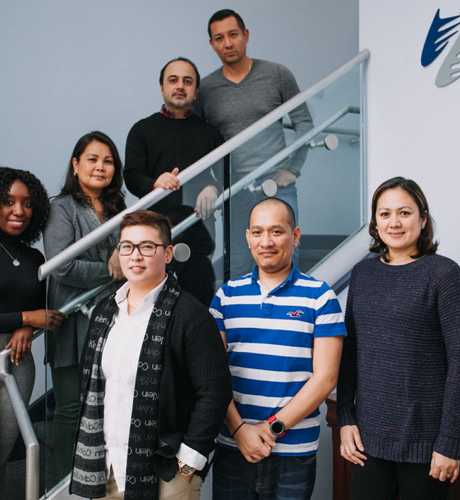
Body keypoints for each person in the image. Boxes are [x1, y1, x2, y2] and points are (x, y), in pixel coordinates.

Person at [70, 210, 232, 500]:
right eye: (127, 247)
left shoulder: (191, 315)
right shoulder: (105, 312)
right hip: (107, 468)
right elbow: (92, 386)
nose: (135, 256)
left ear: (168, 254)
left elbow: (215, 391)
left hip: (167, 471)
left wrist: (189, 462)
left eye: (147, 247)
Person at [336, 177, 460, 500]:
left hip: (427, 449)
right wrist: (345, 418)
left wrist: (449, 441)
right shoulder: (363, 274)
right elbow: (351, 353)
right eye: (384, 214)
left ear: (423, 219)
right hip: (366, 443)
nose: (394, 223)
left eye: (404, 213)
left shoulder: (444, 275)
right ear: (375, 223)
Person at [209, 197, 345, 500]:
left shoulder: (321, 297)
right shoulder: (226, 297)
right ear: (247, 238)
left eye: (276, 231)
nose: (266, 241)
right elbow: (213, 375)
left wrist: (269, 430)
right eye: (257, 232)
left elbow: (325, 378)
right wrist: (240, 430)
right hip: (234, 447)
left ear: (295, 236)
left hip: (293, 453)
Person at [199, 9, 314, 276]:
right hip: (235, 189)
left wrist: (293, 169)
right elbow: (197, 142)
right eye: (219, 38)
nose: (227, 43)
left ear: (246, 35)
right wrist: (211, 183)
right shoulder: (205, 89)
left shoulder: (277, 74)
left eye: (233, 35)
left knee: (286, 259)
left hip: (277, 186)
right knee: (238, 263)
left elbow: (304, 123)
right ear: (212, 44)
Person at [43, 131, 126, 482]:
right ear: (76, 165)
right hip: (71, 319)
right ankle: (59, 486)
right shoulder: (59, 207)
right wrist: (112, 269)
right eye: (92, 159)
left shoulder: (121, 208)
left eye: (108, 161)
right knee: (70, 410)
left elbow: (134, 260)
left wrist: (122, 267)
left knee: (109, 409)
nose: (100, 167)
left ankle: (98, 484)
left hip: (113, 318)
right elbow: (62, 266)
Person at [124, 57, 224, 304]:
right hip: (155, 239)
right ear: (162, 87)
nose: (180, 86)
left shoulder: (210, 133)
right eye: (173, 80)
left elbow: (226, 174)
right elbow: (131, 176)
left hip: (199, 236)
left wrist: (214, 188)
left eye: (187, 81)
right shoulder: (142, 130)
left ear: (195, 91)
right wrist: (154, 183)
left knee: (199, 309)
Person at [0, 167, 64, 491]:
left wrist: (26, 327)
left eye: (27, 204)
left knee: (3, 448)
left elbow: (41, 309)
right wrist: (24, 319)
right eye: (8, 201)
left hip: (17, 360)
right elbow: (30, 313)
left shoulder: (33, 256)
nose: (19, 211)